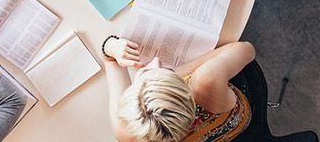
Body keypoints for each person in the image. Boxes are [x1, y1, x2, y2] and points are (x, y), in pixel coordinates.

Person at [102, 35, 255, 142]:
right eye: (167, 70)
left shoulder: (125, 129)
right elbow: (246, 49)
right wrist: (183, 69)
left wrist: (112, 46)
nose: (156, 60)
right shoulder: (206, 79)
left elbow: (108, 58)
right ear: (184, 85)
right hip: (232, 120)